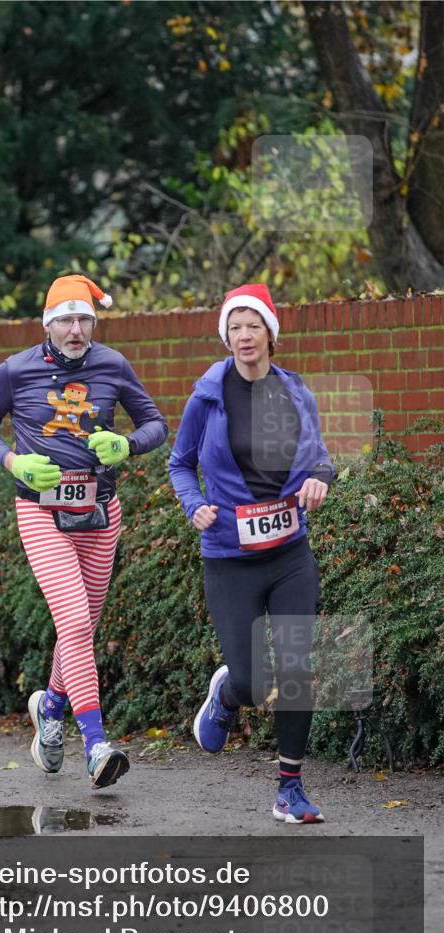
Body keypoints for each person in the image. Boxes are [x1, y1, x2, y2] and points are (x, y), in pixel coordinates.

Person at [0, 274, 168, 789]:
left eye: (84, 320)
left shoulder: (113, 365)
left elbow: (156, 425)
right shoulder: (14, 371)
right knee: (76, 620)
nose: (75, 329)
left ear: (93, 323)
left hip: (101, 512)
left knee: (80, 630)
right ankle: (96, 743)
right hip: (41, 512)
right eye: (65, 320)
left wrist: (127, 445)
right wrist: (14, 461)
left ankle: (50, 709)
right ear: (48, 324)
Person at [169, 283, 334, 824]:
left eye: (253, 326)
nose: (244, 336)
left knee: (295, 666)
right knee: (252, 678)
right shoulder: (207, 395)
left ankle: (290, 789)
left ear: (270, 335)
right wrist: (194, 504)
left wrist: (317, 481)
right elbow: (179, 463)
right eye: (235, 327)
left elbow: (320, 460)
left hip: (289, 551)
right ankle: (227, 693)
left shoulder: (294, 392)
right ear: (227, 337)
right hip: (229, 556)